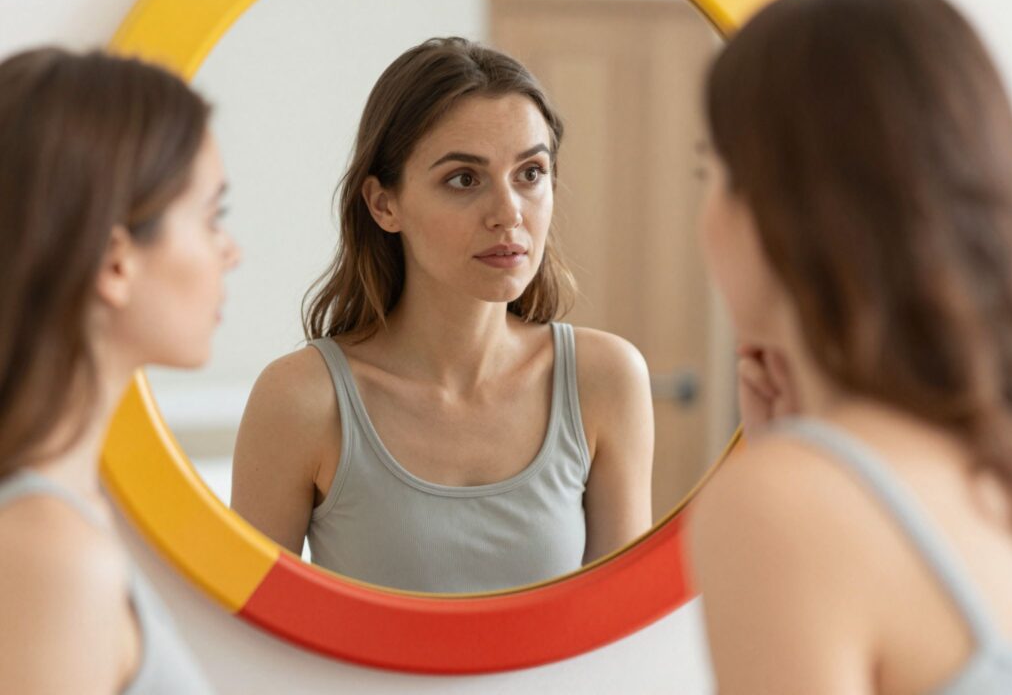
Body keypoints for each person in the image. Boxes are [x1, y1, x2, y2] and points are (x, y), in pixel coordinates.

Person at [691, 0, 1012, 693]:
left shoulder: (785, 504)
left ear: (779, 206)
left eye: (710, 171)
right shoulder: (992, 466)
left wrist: (799, 470)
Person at [232, 37, 654, 593]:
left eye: (530, 173)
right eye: (464, 179)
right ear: (384, 204)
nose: (509, 214)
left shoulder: (604, 379)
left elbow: (622, 634)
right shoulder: (302, 400)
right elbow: (242, 639)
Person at [0, 47, 239, 693]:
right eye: (212, 217)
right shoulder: (49, 554)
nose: (232, 253)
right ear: (115, 262)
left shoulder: (61, 521)